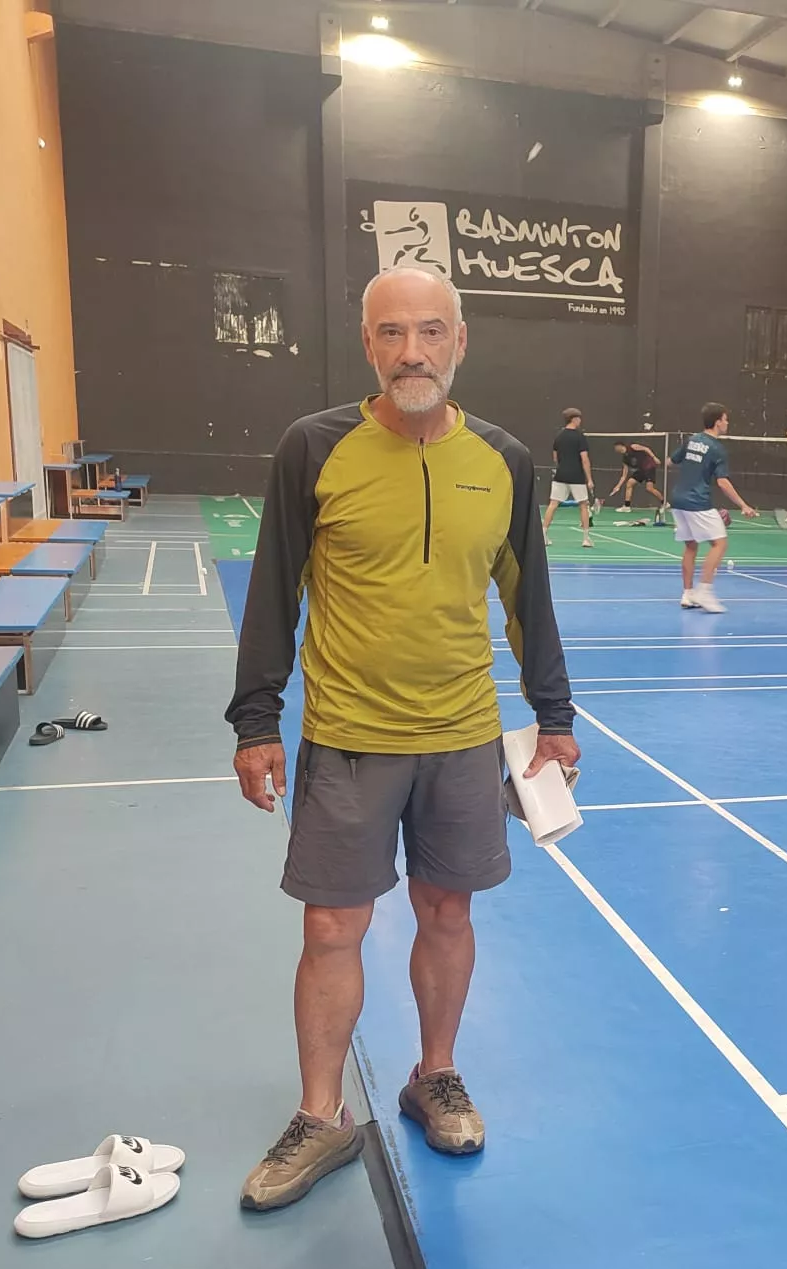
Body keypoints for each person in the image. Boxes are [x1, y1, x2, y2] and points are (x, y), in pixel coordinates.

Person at [227, 265, 579, 1209]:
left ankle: (436, 1074)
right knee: (332, 925)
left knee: (449, 915)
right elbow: (275, 588)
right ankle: (323, 1115)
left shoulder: (503, 458)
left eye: (430, 332)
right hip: (348, 735)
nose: (411, 352)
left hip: (462, 736)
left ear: (461, 341)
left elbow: (525, 596)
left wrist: (555, 712)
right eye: (391, 333)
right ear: (368, 344)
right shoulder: (315, 448)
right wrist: (256, 718)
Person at [671, 403, 758, 613]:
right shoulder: (717, 448)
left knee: (691, 546)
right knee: (720, 543)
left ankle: (688, 593)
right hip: (697, 501)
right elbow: (723, 482)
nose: (727, 423)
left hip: (678, 499)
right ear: (718, 421)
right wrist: (744, 505)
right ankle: (705, 591)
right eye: (726, 419)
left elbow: (673, 461)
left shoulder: (692, 439)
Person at [545, 408, 594, 548]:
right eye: (579, 418)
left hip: (560, 475)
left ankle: (543, 535)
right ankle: (585, 538)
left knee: (553, 504)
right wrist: (589, 479)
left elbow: (555, 457)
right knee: (583, 505)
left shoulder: (559, 436)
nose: (580, 420)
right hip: (576, 476)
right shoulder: (579, 436)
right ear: (574, 419)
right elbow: (584, 459)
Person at [609, 439, 665, 519]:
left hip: (649, 467)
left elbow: (646, 449)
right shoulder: (625, 459)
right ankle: (627, 506)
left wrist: (654, 458)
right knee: (629, 483)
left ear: (620, 446)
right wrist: (617, 486)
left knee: (649, 488)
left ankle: (664, 502)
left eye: (616, 448)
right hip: (641, 470)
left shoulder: (632, 447)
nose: (615, 450)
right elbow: (624, 475)